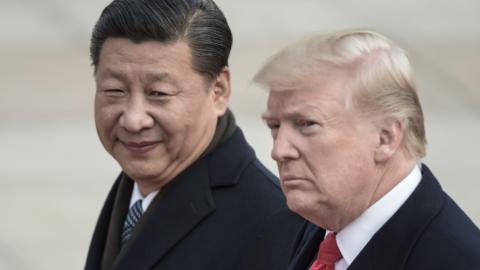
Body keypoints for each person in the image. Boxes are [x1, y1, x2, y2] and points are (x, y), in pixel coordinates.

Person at [84, 0, 304, 269]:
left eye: (159, 94)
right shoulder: (136, 183)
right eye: (114, 90)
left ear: (218, 90)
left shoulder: (273, 223)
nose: (133, 120)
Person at [254, 29, 480, 270]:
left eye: (307, 124)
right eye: (275, 126)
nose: (279, 151)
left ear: (386, 138)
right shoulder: (311, 224)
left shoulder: (457, 260)